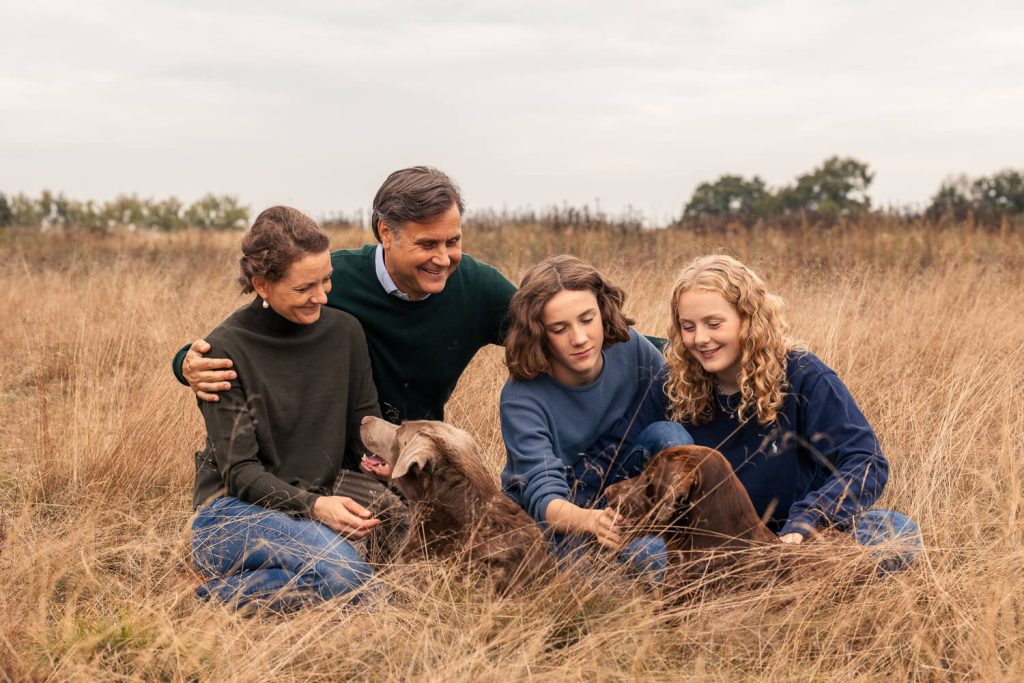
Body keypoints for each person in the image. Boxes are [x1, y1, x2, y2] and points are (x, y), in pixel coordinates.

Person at [173, 166, 516, 425]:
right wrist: (187, 362)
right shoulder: (329, 282)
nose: (442, 259)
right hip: (333, 459)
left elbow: (541, 333)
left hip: (419, 459)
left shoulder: (478, 286)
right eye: (427, 244)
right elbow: (249, 331)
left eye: (452, 242)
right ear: (386, 233)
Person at [662, 254, 920, 566]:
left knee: (896, 532)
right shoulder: (674, 384)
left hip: (793, 542)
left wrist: (809, 518)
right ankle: (747, 581)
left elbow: (866, 462)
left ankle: (783, 576)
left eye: (713, 324)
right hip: (710, 549)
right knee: (649, 554)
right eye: (688, 327)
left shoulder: (804, 375)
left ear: (748, 319)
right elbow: (633, 448)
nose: (700, 339)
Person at [190, 206, 382, 610]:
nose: (322, 296)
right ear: (262, 284)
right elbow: (240, 473)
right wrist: (315, 506)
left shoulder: (345, 333)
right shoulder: (222, 351)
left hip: (306, 517)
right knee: (346, 576)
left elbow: (364, 429)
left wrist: (382, 463)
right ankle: (200, 599)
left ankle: (237, 585)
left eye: (326, 280)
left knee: (366, 582)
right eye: (304, 287)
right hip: (229, 515)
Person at [499, 255, 693, 578]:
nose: (579, 338)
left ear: (602, 311)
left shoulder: (631, 348)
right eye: (559, 329)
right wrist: (591, 521)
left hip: (619, 487)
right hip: (560, 519)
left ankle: (691, 531)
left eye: (587, 319)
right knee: (654, 558)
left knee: (669, 435)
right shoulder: (521, 399)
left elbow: (681, 399)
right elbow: (545, 499)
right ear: (538, 333)